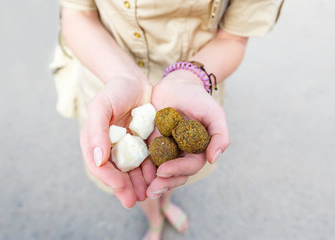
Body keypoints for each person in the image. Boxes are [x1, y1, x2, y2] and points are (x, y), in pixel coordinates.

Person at [51, 0, 283, 239]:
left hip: (191, 88)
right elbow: (78, 13)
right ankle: (154, 218)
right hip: (109, 80)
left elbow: (233, 36)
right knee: (138, 180)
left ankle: (165, 203)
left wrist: (189, 78)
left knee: (166, 175)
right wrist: (121, 75)